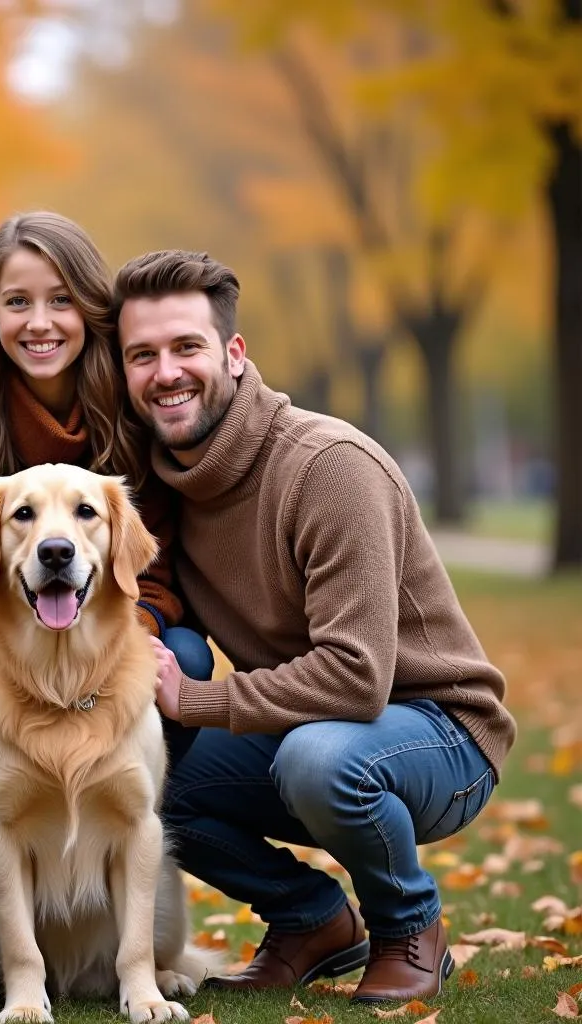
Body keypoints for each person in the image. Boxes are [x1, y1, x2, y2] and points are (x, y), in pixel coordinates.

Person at [111, 250, 516, 1005]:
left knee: (318, 759)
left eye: (186, 347)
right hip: (307, 728)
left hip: (441, 730)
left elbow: (358, 678)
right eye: (143, 355)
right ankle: (309, 920)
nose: (165, 371)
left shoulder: (328, 466)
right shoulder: (165, 487)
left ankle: (409, 928)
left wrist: (196, 701)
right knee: (136, 780)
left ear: (233, 354)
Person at [0, 212, 215, 811]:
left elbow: (154, 576)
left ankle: (113, 825)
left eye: (61, 299)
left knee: (183, 659)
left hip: (109, 641)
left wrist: (127, 644)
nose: (39, 322)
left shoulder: (135, 415)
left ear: (90, 306)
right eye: (17, 301)